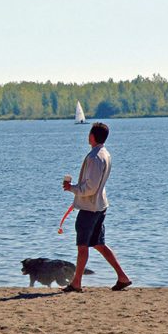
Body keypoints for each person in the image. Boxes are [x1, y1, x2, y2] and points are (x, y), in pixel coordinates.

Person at [61, 122, 131, 292]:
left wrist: (72, 189)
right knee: (99, 244)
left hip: (90, 208)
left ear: (92, 136)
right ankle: (123, 277)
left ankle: (76, 283)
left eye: (89, 133)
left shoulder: (94, 157)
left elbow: (90, 188)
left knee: (83, 245)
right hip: (100, 206)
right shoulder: (105, 153)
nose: (87, 136)